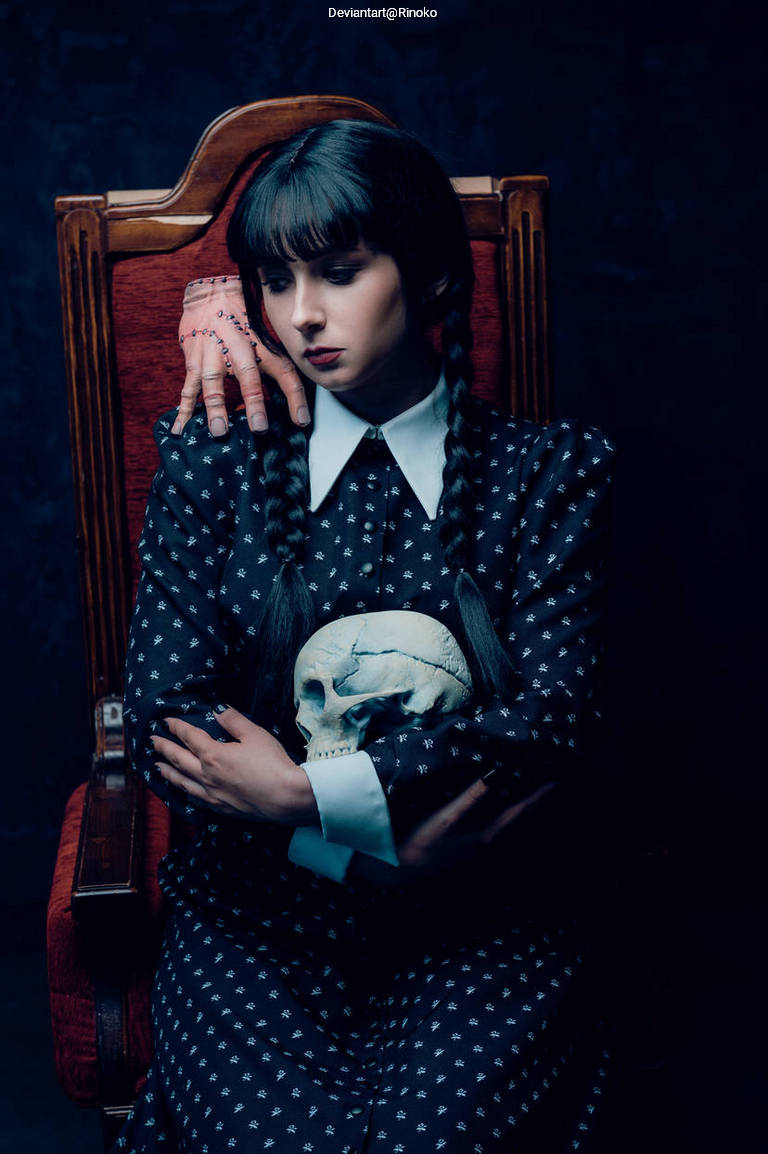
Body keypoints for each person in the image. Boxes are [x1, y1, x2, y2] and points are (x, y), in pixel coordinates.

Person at [117, 118, 615, 1153]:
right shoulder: (214, 465)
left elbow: (555, 716)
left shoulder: (552, 473)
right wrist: (347, 848)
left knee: (439, 1136)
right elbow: (168, 710)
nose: (303, 316)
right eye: (272, 280)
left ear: (431, 275)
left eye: (339, 273)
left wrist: (308, 789)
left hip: (483, 914)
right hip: (258, 912)